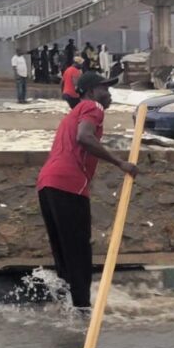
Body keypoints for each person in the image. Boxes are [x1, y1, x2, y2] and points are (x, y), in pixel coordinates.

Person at [36, 71, 138, 312]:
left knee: (64, 254)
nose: (109, 94)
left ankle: (67, 307)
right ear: (92, 92)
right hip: (68, 184)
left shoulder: (73, 113)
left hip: (46, 184)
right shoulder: (93, 106)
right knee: (80, 253)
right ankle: (82, 311)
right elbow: (84, 137)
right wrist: (120, 163)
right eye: (105, 88)